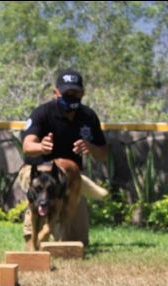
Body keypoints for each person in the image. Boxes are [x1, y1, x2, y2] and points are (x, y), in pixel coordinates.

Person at [20, 69, 109, 247]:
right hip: (38, 170)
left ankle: (56, 229)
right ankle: (33, 233)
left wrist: (90, 148)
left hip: (70, 177)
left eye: (75, 93)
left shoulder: (89, 117)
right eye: (66, 93)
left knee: (76, 242)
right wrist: (41, 147)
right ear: (56, 93)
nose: (71, 97)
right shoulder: (42, 113)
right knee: (41, 187)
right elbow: (27, 146)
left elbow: (104, 154)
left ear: (82, 93)